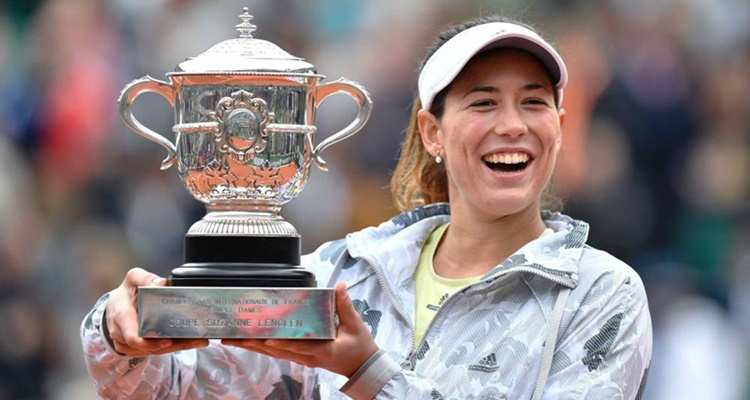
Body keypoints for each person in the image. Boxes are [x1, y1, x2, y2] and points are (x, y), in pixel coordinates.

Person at [81, 15, 652, 399]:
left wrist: (367, 374)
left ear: (558, 126)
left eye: (534, 102)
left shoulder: (599, 292)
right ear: (431, 132)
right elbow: (184, 390)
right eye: (483, 102)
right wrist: (120, 332)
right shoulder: (343, 273)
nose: (512, 125)